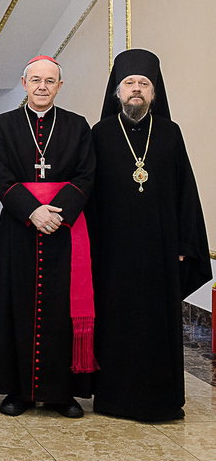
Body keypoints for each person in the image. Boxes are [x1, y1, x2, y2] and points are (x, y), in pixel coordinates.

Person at [90, 49, 210, 422]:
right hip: (113, 253)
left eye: (144, 84)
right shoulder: (101, 133)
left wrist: (184, 246)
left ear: (155, 92)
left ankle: (163, 400)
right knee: (116, 322)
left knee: (158, 324)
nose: (136, 90)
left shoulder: (171, 134)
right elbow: (90, 194)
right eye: (130, 84)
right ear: (117, 92)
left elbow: (185, 194)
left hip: (160, 252)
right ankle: (113, 398)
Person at [0, 56, 96, 419]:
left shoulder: (78, 126)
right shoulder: (3, 125)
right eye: (36, 80)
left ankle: (62, 393)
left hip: (65, 231)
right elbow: (0, 176)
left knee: (62, 308)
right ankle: (18, 391)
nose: (42, 86)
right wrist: (33, 211)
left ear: (59, 86)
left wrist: (56, 213)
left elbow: (86, 176)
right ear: (24, 82)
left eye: (50, 80)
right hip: (20, 227)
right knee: (17, 305)